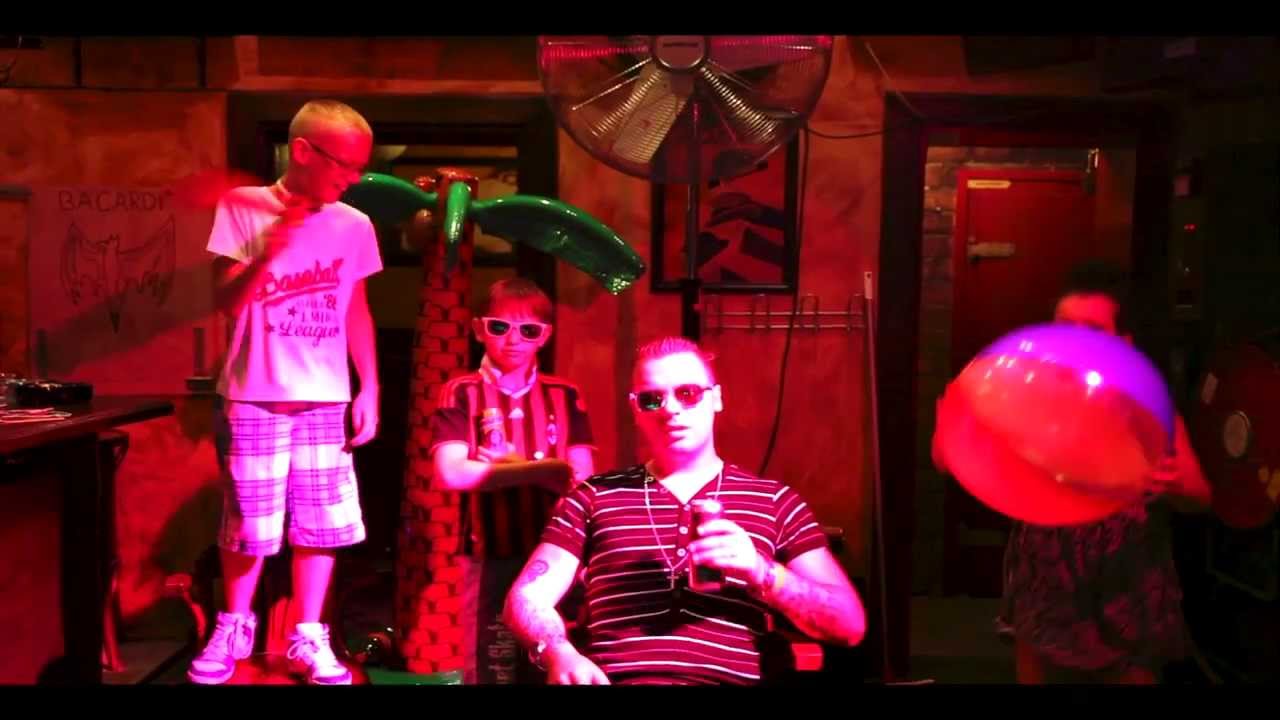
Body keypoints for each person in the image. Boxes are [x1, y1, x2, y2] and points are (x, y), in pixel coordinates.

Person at [503, 335, 865, 685]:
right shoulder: (595, 496)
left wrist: (762, 571)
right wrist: (558, 652)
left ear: (716, 398)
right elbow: (527, 597)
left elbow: (849, 625)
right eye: (652, 399)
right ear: (635, 408)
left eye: (688, 393)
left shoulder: (773, 501)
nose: (671, 409)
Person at [938, 261, 1211, 684]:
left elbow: (1200, 496)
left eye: (1094, 331)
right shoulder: (1026, 399)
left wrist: (1177, 483)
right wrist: (952, 423)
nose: (1077, 341)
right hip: (1045, 573)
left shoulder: (1148, 412)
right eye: (1065, 327)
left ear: (1123, 342)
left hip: (1127, 578)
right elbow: (950, 459)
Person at [188, 99, 383, 686]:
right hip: (254, 393)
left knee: (322, 523)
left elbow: (355, 308)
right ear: (303, 151)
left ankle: (308, 633)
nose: (353, 178)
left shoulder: (354, 224)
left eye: (359, 167)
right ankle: (234, 625)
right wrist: (270, 248)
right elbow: (225, 302)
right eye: (345, 165)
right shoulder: (243, 206)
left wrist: (368, 387)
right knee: (250, 523)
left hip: (326, 397)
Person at [427, 277, 596, 684]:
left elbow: (582, 482)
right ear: (478, 329)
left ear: (545, 336)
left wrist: (511, 464)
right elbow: (450, 472)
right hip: (489, 552)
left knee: (552, 660)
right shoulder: (460, 392)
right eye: (500, 326)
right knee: (493, 665)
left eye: (529, 330)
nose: (514, 339)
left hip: (557, 554)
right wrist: (544, 470)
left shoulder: (565, 394)